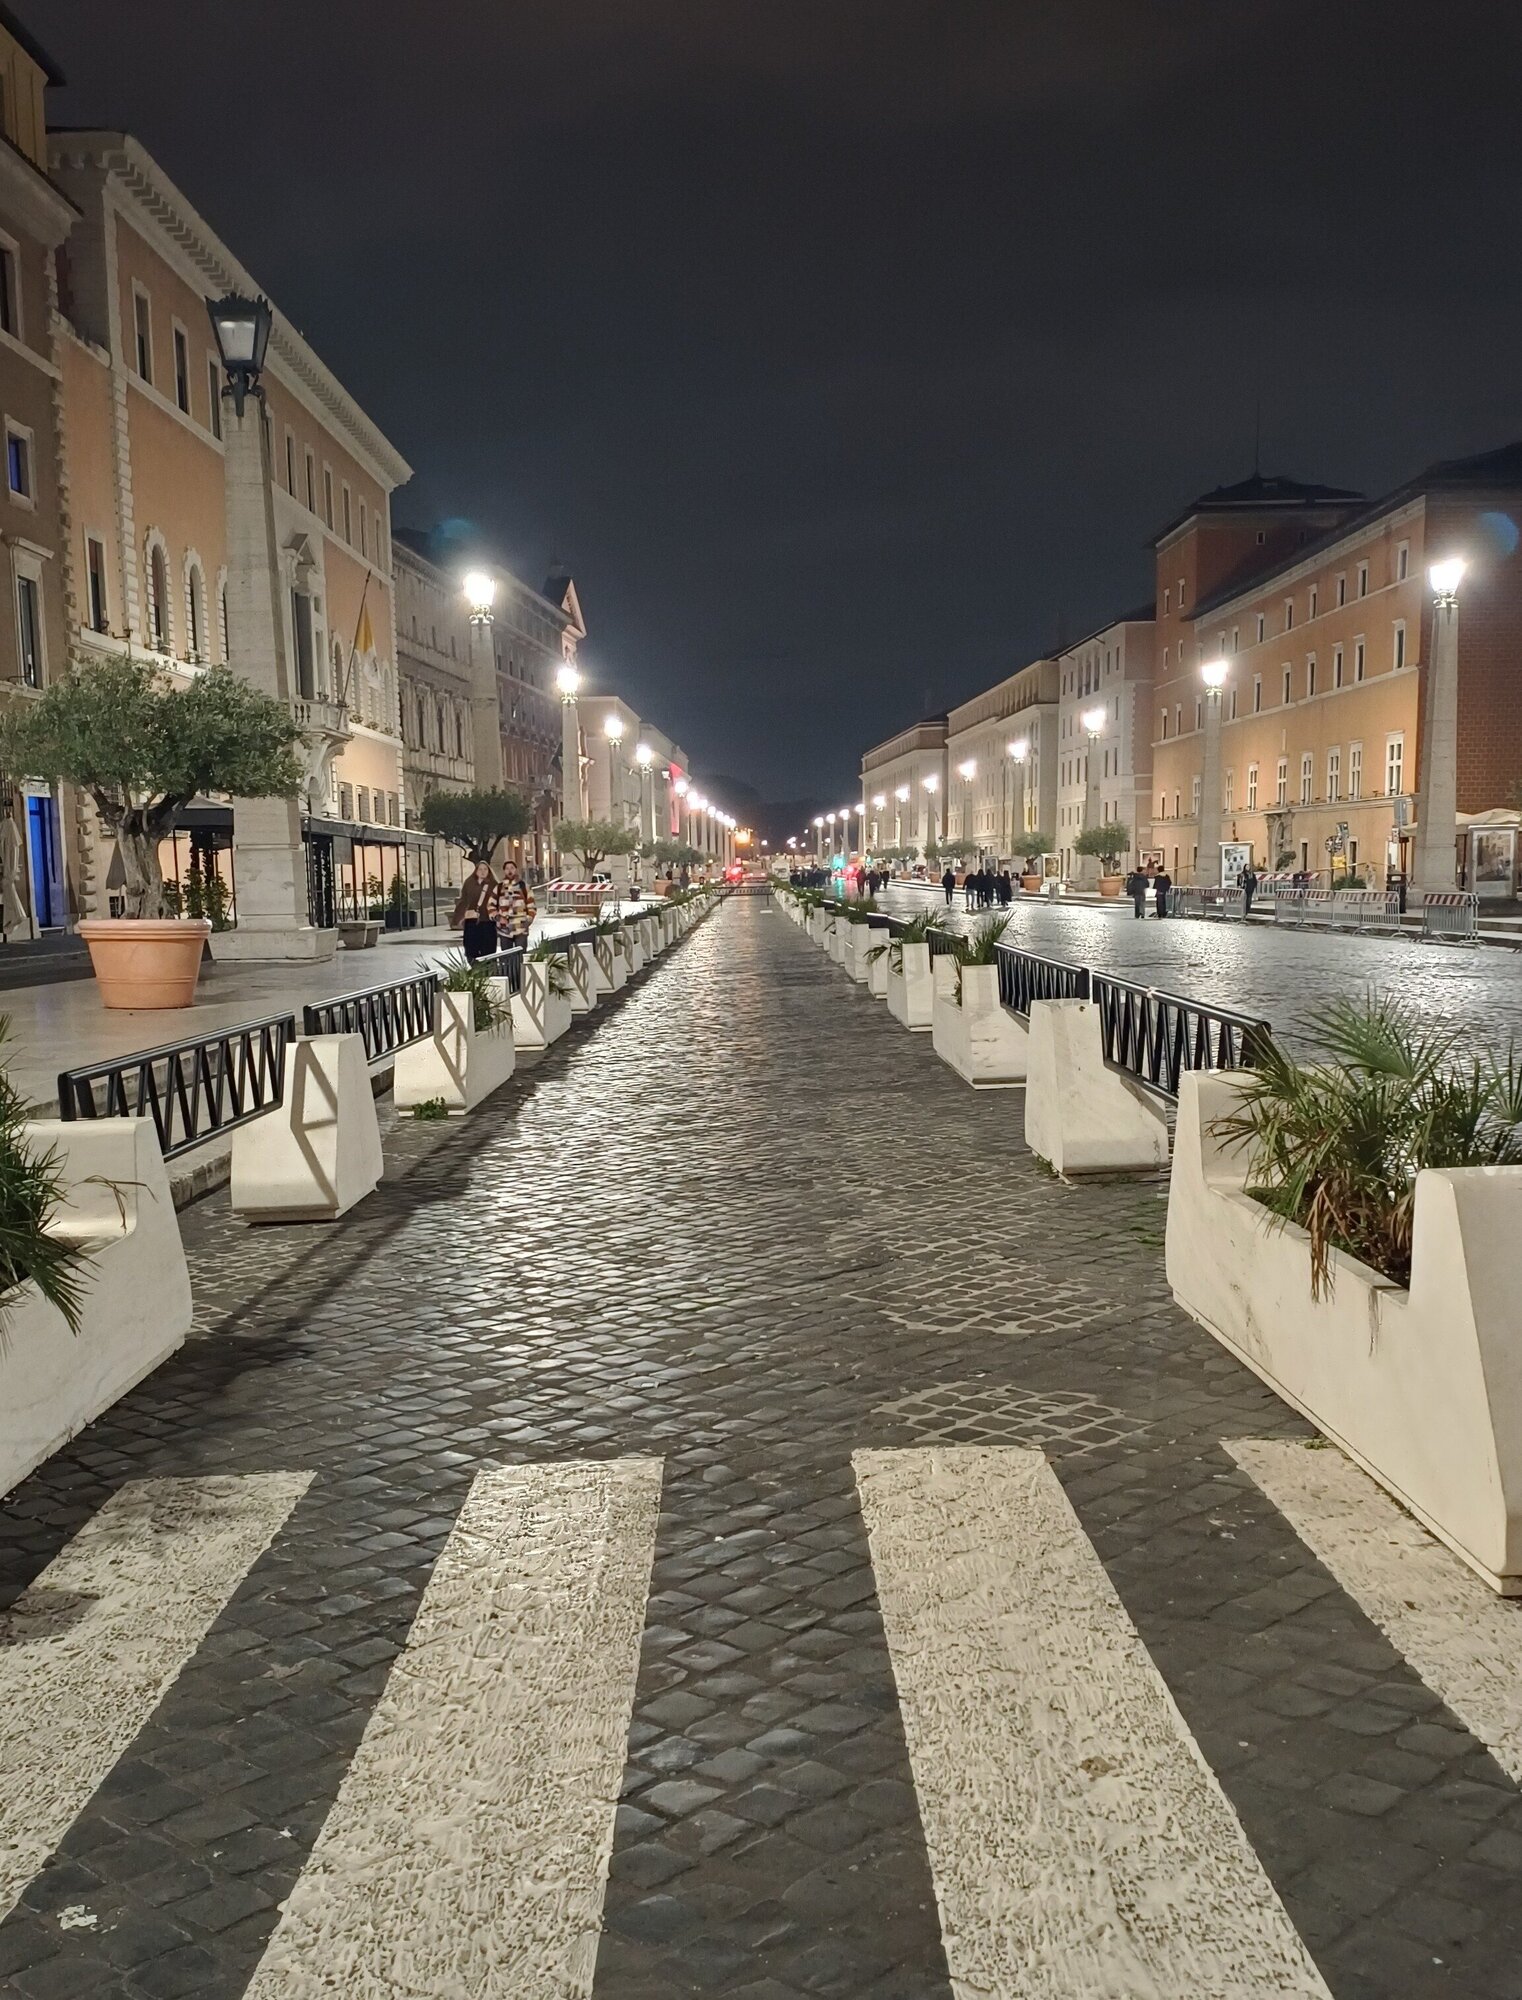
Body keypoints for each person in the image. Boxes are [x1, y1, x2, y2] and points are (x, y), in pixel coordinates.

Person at [450, 859, 498, 961]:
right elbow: (464, 900)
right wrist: (458, 918)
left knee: (488, 948)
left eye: (485, 869)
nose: (483, 871)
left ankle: (487, 967)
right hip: (471, 921)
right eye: (480, 869)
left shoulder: (493, 884)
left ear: (489, 871)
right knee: (471, 948)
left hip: (487, 921)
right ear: (476, 871)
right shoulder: (469, 883)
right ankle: (475, 967)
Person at [486, 859, 537, 949]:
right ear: (504, 871)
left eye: (512, 868)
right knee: (507, 955)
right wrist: (498, 917)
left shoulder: (524, 887)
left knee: (520, 954)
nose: (510, 870)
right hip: (504, 929)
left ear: (516, 869)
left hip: (521, 928)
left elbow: (531, 906)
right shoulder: (498, 888)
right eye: (507, 868)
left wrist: (527, 920)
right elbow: (490, 905)